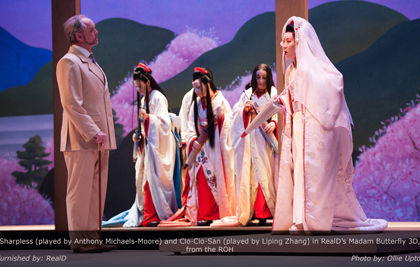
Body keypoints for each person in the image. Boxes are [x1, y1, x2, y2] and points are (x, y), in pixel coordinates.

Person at [272, 16, 388, 234]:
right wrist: (282, 100)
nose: (284, 45)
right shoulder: (290, 71)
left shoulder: (313, 69)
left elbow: (335, 83)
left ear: (299, 41)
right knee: (299, 174)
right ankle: (302, 219)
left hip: (315, 130)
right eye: (283, 42)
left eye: (288, 41)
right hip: (298, 129)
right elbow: (293, 98)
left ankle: (316, 220)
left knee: (316, 176)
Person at [56, 14, 117, 253]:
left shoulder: (91, 62)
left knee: (96, 191)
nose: (97, 32)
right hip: (81, 139)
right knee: (80, 191)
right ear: (79, 36)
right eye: (92, 30)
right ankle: (80, 240)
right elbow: (71, 104)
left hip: (100, 139)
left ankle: (92, 236)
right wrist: (94, 132)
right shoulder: (69, 62)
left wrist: (103, 134)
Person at [124, 63, 178, 227]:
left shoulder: (158, 98)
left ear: (147, 81)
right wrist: (138, 134)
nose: (139, 89)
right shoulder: (144, 99)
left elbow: (164, 125)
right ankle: (147, 213)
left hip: (158, 146)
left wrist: (147, 118)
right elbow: (144, 123)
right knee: (144, 179)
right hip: (148, 145)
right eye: (136, 87)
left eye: (139, 85)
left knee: (153, 180)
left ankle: (154, 214)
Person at [184, 67, 236, 226]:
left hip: (216, 149)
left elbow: (231, 123)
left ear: (207, 84)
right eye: (195, 88)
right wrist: (195, 140)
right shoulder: (196, 104)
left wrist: (221, 120)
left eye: (199, 87)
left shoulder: (220, 101)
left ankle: (218, 213)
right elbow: (190, 127)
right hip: (201, 149)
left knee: (216, 179)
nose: (197, 91)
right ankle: (204, 215)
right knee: (202, 181)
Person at [231, 64, 278, 226]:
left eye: (264, 77)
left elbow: (280, 112)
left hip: (266, 139)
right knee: (252, 175)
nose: (261, 81)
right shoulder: (248, 94)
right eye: (258, 77)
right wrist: (244, 110)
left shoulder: (273, 93)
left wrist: (275, 124)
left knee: (266, 172)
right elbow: (235, 114)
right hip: (251, 139)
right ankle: (254, 211)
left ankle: (266, 210)